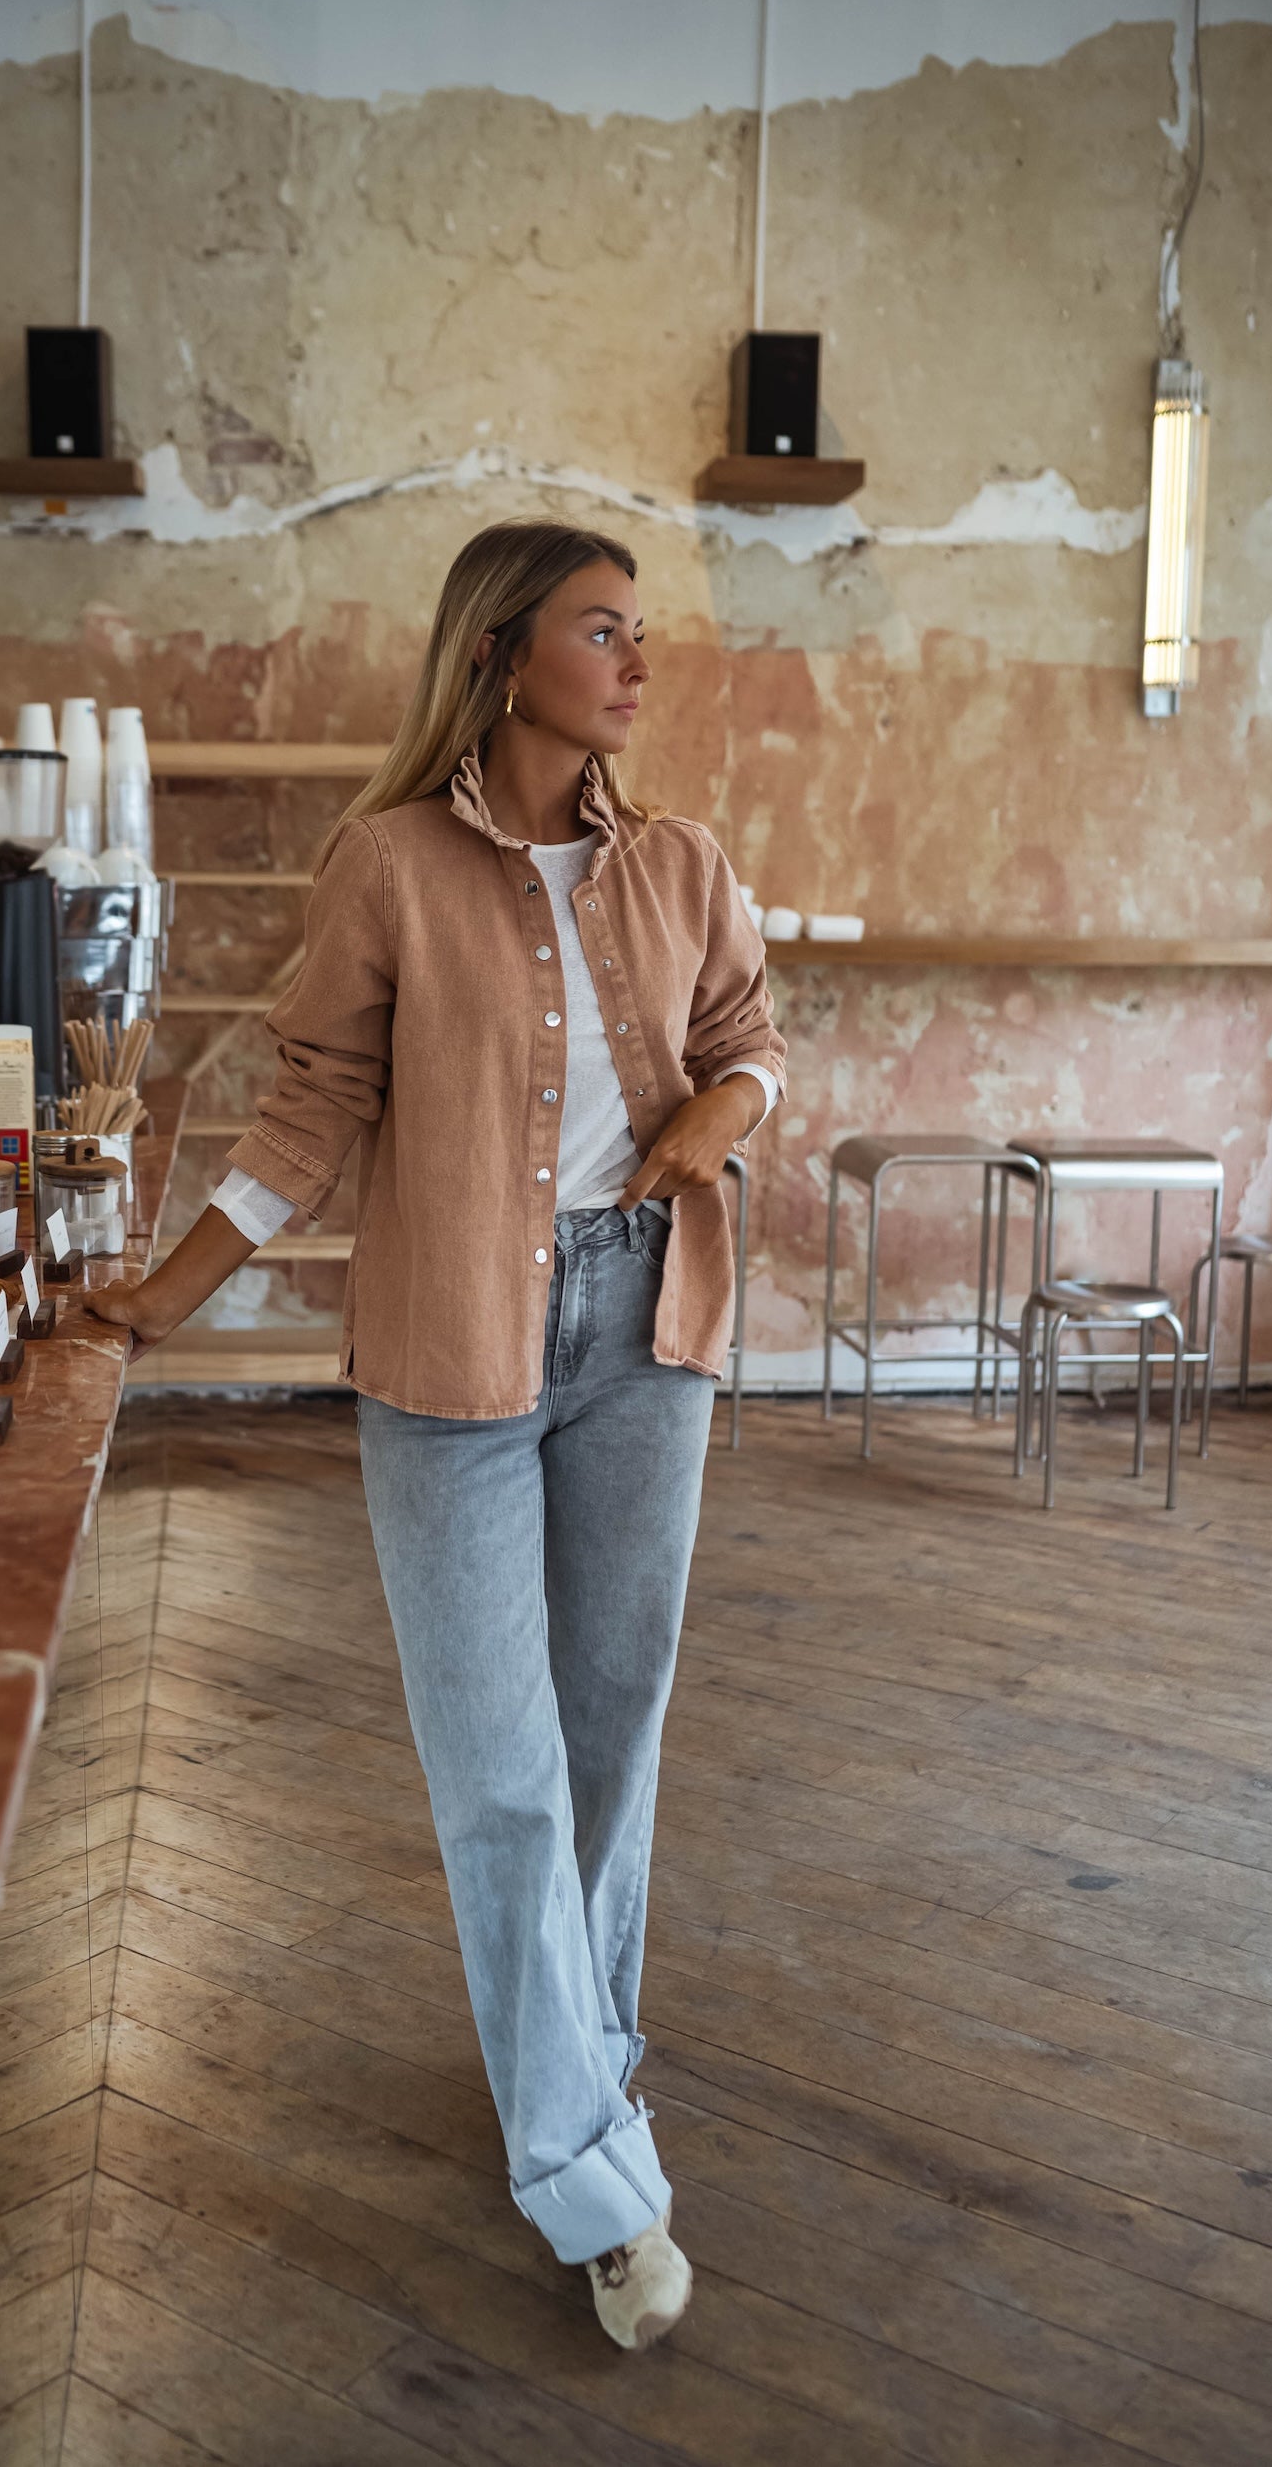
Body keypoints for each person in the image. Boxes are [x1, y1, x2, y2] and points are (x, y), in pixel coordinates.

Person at [85, 519, 788, 2349]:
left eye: (640, 635)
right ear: (499, 657)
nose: (637, 665)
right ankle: (587, 2170)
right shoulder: (386, 866)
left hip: (650, 1329)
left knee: (613, 1729)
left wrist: (719, 1116)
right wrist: (167, 1295)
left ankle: (588, 2062)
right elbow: (307, 1105)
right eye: (602, 632)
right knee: (500, 1769)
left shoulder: (688, 863)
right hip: (447, 1344)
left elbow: (753, 1037)